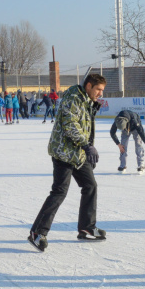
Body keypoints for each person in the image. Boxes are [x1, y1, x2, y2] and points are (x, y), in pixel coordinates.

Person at [28, 74, 106, 252]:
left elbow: (86, 126)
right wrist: (87, 146)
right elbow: (70, 125)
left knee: (90, 185)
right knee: (59, 192)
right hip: (64, 153)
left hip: (78, 153)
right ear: (88, 86)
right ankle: (37, 233)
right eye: (98, 89)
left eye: (102, 90)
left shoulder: (86, 100)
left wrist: (87, 148)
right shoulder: (73, 99)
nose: (100, 93)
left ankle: (86, 227)